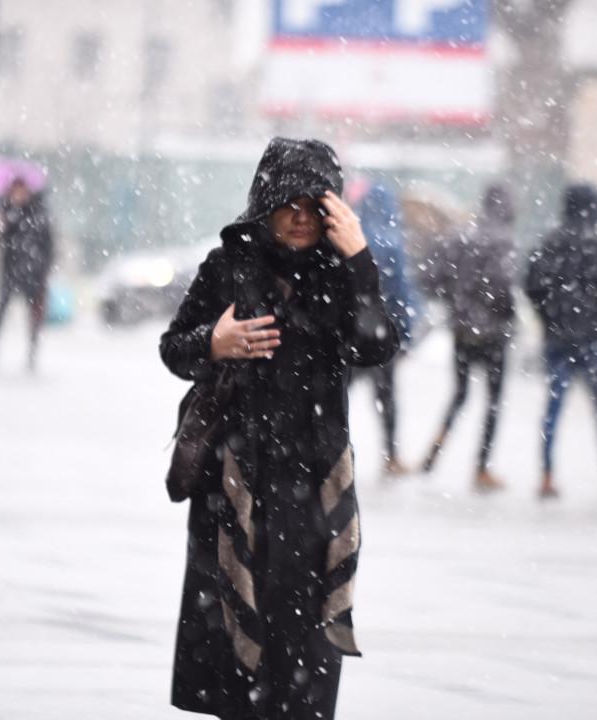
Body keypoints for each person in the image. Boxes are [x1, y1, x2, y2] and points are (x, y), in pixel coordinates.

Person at [160, 137, 399, 720]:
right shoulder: (228, 266)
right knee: (235, 661)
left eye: (313, 203)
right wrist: (214, 344)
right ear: (264, 201)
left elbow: (377, 345)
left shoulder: (341, 275)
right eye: (286, 200)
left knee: (304, 659)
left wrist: (361, 260)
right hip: (234, 485)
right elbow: (173, 349)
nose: (298, 215)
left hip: (313, 493)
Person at [524, 183, 597, 501]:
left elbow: (532, 286)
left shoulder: (549, 243)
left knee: (553, 408)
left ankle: (546, 474)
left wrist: (549, 319)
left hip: (558, 338)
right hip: (594, 340)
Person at [422, 185, 516, 491]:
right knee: (493, 401)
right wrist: (507, 313)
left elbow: (434, 278)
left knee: (460, 394)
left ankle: (437, 446)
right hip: (494, 334)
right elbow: (503, 285)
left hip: (462, 330)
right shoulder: (502, 240)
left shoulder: (462, 235)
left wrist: (458, 305)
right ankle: (481, 467)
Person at [356, 183, 421, 475]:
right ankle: (391, 456)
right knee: (386, 398)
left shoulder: (354, 237)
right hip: (381, 335)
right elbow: (402, 294)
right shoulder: (393, 244)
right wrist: (405, 335)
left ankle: (320, 451)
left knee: (335, 396)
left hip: (350, 334)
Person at [0, 177, 54, 372]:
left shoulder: (39, 214)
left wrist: (44, 270)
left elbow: (48, 245)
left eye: (21, 191)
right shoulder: (6, 212)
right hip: (10, 271)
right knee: (1, 311)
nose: (18, 195)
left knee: (33, 316)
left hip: (34, 274)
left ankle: (32, 352)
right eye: (15, 191)